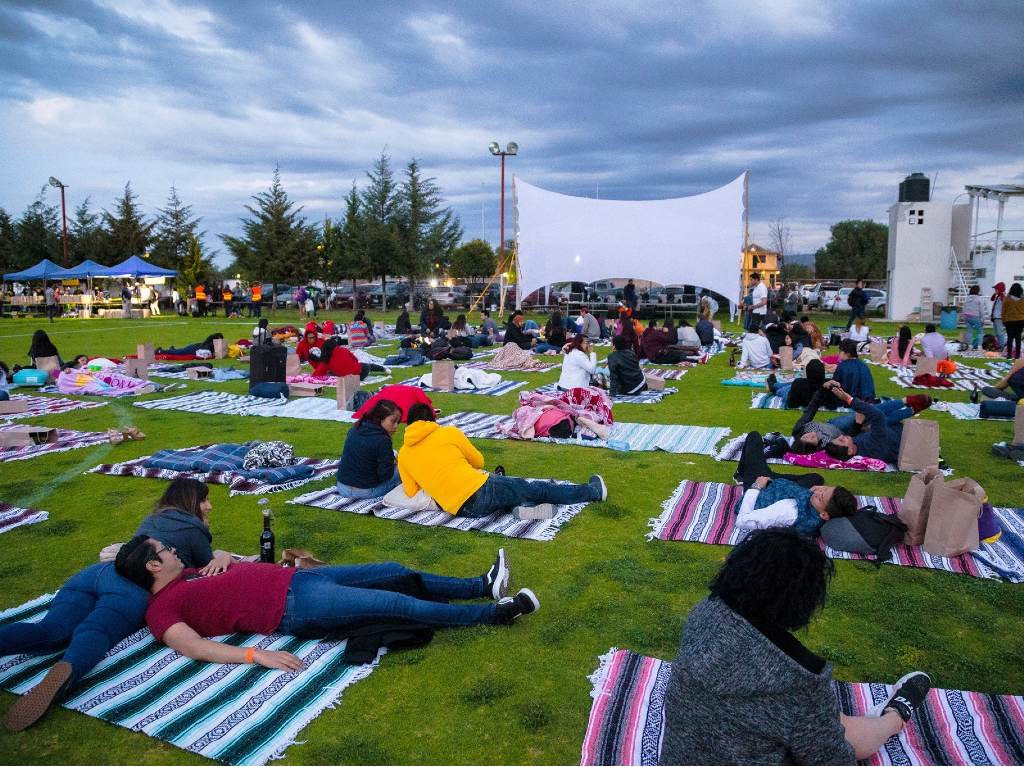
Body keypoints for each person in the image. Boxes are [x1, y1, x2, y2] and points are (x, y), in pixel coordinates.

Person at [659, 528, 932, 766]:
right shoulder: (800, 681)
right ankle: (895, 716)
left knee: (824, 725)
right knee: (842, 732)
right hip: (777, 730)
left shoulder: (705, 614)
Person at [115, 536, 542, 672]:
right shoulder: (160, 610)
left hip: (301, 578)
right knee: (396, 603)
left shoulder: (189, 573)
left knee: (390, 567)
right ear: (153, 566)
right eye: (165, 550)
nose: (174, 550)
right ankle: (495, 614)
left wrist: (225, 557)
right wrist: (254, 655)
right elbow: (193, 647)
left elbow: (231, 569)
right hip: (295, 605)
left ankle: (479, 586)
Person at [0, 562, 150, 731]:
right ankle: (71, 664)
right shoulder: (170, 558)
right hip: (133, 585)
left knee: (51, 630)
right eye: (169, 551)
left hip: (94, 574)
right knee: (97, 628)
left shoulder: (147, 539)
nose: (173, 553)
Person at [397, 403, 607, 517]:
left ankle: (523, 508)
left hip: (461, 510)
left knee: (510, 490)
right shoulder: (448, 433)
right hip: (479, 489)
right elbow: (478, 462)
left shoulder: (404, 454)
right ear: (433, 419)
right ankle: (593, 492)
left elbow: (411, 491)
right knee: (534, 487)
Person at [732, 433, 857, 536]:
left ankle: (741, 473)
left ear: (824, 515)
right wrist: (817, 492)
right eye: (825, 489)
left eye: (821, 497)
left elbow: (743, 522)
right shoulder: (817, 513)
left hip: (759, 492)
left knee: (754, 437)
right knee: (816, 478)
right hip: (778, 486)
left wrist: (756, 486)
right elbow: (815, 495)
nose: (818, 492)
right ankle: (770, 473)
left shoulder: (787, 511)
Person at [134, 479, 235, 571]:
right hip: (166, 583)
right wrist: (227, 557)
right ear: (189, 502)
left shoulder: (150, 519)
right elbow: (210, 569)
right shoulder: (191, 528)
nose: (210, 506)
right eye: (203, 500)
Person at [823, 383, 932, 464]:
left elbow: (854, 433)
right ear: (850, 451)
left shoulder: (853, 446)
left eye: (838, 437)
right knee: (878, 416)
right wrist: (849, 400)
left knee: (870, 417)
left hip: (882, 433)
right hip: (897, 435)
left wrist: (859, 424)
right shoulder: (872, 447)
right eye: (841, 440)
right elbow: (878, 416)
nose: (842, 436)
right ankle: (908, 404)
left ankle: (910, 406)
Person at [336, 399, 403, 499]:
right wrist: (393, 462)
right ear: (380, 418)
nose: (396, 426)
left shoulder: (355, 428)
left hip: (342, 487)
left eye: (398, 422)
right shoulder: (383, 440)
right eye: (393, 421)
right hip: (365, 491)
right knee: (404, 466)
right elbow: (385, 476)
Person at [313, 337, 382, 380]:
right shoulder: (343, 350)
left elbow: (315, 375)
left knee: (330, 372)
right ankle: (383, 369)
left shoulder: (325, 361)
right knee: (367, 366)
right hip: (360, 373)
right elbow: (355, 359)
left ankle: (383, 369)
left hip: (348, 379)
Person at [156, 333, 224, 357]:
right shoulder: (208, 346)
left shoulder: (208, 343)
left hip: (193, 347)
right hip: (192, 350)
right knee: (178, 353)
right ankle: (160, 351)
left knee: (180, 351)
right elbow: (206, 353)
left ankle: (172, 349)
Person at [1003, 282, 1024, 360]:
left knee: (1010, 338)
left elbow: (1003, 310)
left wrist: (1003, 320)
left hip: (1009, 320)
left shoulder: (1007, 298)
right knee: (1018, 338)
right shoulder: (1023, 299)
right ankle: (1017, 355)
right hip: (1020, 320)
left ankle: (1009, 354)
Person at [961, 284, 986, 350]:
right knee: (980, 332)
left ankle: (969, 346)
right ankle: (979, 347)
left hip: (966, 316)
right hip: (975, 316)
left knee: (969, 332)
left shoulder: (967, 298)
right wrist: (983, 319)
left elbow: (964, 308)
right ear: (978, 291)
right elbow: (981, 310)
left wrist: (963, 317)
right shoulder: (979, 299)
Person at [990, 282, 1006, 352]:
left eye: (996, 289)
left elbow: (1004, 306)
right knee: (997, 333)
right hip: (995, 317)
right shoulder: (998, 296)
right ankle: (999, 345)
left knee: (1000, 333)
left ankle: (1002, 346)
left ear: (1000, 289)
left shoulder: (1003, 297)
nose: (995, 290)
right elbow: (992, 300)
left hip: (999, 317)